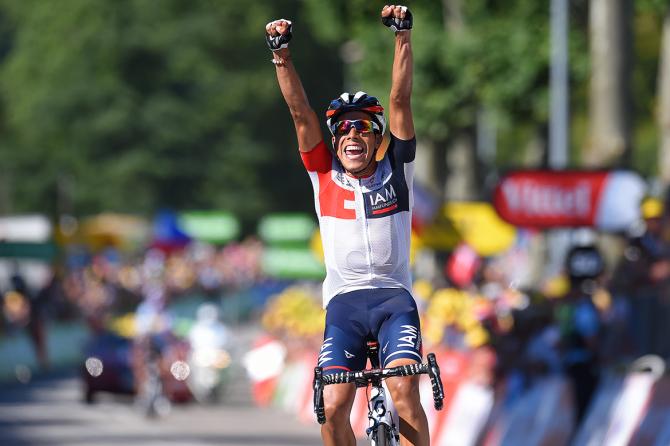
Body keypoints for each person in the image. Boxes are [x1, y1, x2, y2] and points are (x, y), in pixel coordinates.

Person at [266, 5, 429, 445]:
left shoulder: (397, 170)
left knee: (404, 391)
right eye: (344, 131)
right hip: (344, 306)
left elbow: (399, 101)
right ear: (335, 143)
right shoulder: (323, 176)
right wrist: (281, 56)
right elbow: (302, 115)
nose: (353, 137)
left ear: (377, 139)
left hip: (395, 301)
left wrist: (403, 37)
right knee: (334, 407)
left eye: (363, 129)